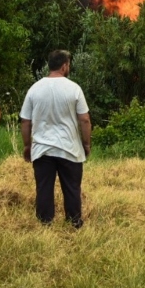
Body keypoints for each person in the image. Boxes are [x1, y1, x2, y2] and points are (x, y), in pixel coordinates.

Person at [20, 50, 90, 229]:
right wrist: (86, 144)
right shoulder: (74, 88)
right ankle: (74, 222)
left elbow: (26, 121)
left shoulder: (34, 89)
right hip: (70, 149)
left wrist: (28, 145)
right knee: (72, 188)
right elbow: (84, 119)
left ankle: (45, 224)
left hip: (42, 149)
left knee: (44, 188)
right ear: (65, 65)